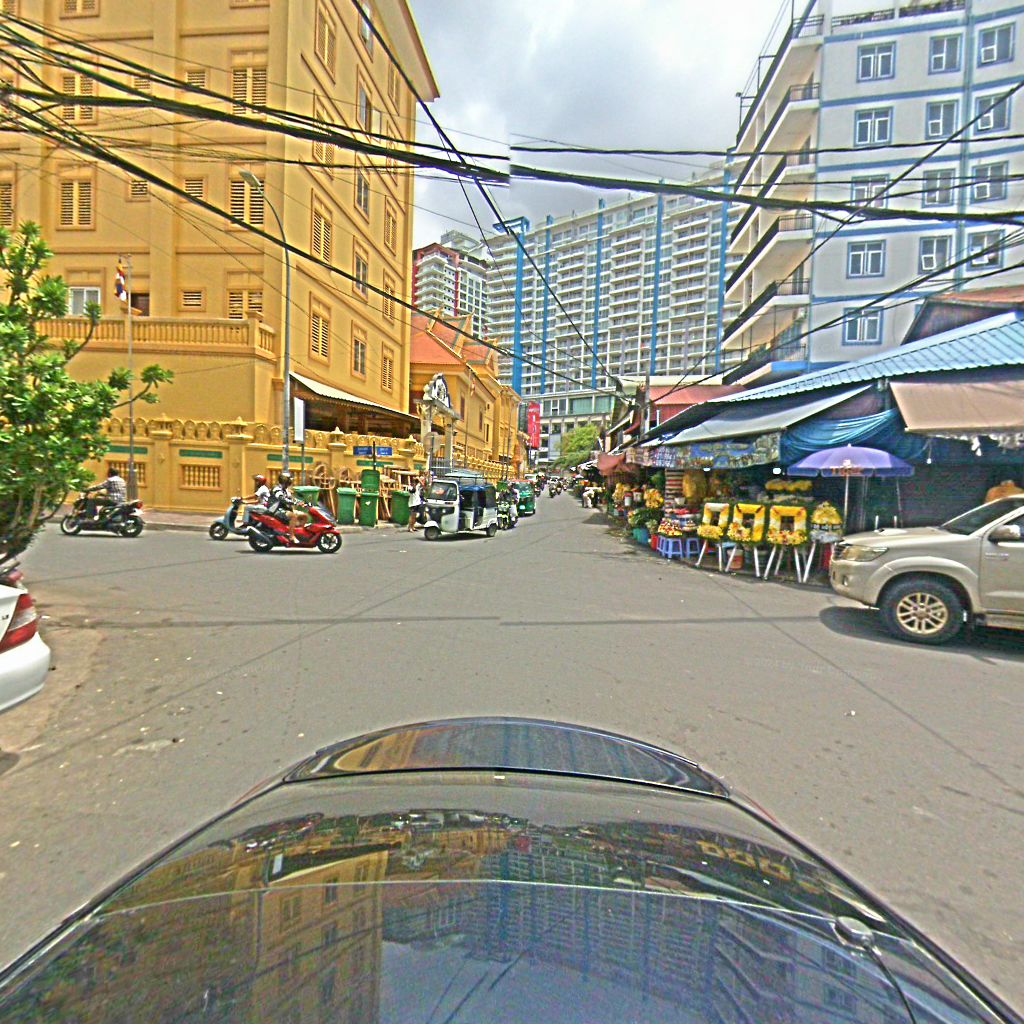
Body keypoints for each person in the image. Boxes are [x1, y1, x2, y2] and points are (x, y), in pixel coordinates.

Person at [270, 471, 309, 545]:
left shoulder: (286, 489)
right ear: (285, 480)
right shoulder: (277, 489)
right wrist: (294, 503)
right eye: (289, 480)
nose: (291, 481)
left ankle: (299, 534)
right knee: (293, 516)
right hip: (276, 510)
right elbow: (282, 499)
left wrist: (303, 503)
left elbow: (292, 498)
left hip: (285, 509)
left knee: (304, 516)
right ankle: (291, 536)